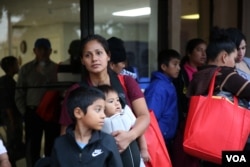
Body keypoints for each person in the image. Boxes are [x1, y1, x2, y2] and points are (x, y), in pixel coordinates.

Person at [59, 34, 150, 160]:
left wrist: (129, 136)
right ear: (82, 60)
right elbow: (65, 133)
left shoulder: (126, 82)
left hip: (129, 154)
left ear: (108, 56)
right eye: (87, 55)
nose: (94, 59)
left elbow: (144, 116)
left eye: (99, 53)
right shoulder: (76, 91)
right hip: (93, 158)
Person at [187, 27, 250, 167]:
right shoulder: (226, 75)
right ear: (224, 57)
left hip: (206, 144)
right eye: (234, 59)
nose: (235, 64)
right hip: (227, 141)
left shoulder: (199, 76)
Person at [50, 87, 123, 167]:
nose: (103, 116)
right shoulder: (60, 144)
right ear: (78, 113)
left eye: (104, 110)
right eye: (98, 110)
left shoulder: (107, 141)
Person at [15, 38, 60, 167]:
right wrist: (25, 112)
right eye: (40, 49)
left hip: (52, 112)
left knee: (52, 144)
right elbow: (19, 92)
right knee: (33, 145)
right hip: (32, 112)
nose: (43, 52)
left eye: (46, 49)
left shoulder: (57, 68)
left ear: (50, 51)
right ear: (35, 51)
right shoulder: (26, 69)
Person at [172, 38, 207, 167]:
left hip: (199, 122)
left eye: (205, 51)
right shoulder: (180, 73)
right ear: (189, 53)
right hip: (184, 122)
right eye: (199, 50)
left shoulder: (204, 72)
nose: (203, 54)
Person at [97, 84, 150, 166]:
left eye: (117, 100)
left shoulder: (126, 114)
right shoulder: (99, 122)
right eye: (111, 101)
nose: (117, 103)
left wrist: (144, 149)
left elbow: (140, 133)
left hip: (137, 160)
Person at [144, 49, 181, 153]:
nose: (178, 68)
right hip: (159, 139)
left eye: (179, 64)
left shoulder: (168, 84)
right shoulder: (158, 87)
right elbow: (151, 115)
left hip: (166, 137)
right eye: (175, 64)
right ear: (164, 67)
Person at [0, 56, 24, 167]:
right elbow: (7, 102)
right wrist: (12, 120)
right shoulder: (7, 82)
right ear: (10, 67)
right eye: (16, 64)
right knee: (12, 142)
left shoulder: (6, 80)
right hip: (11, 117)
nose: (18, 66)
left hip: (11, 117)